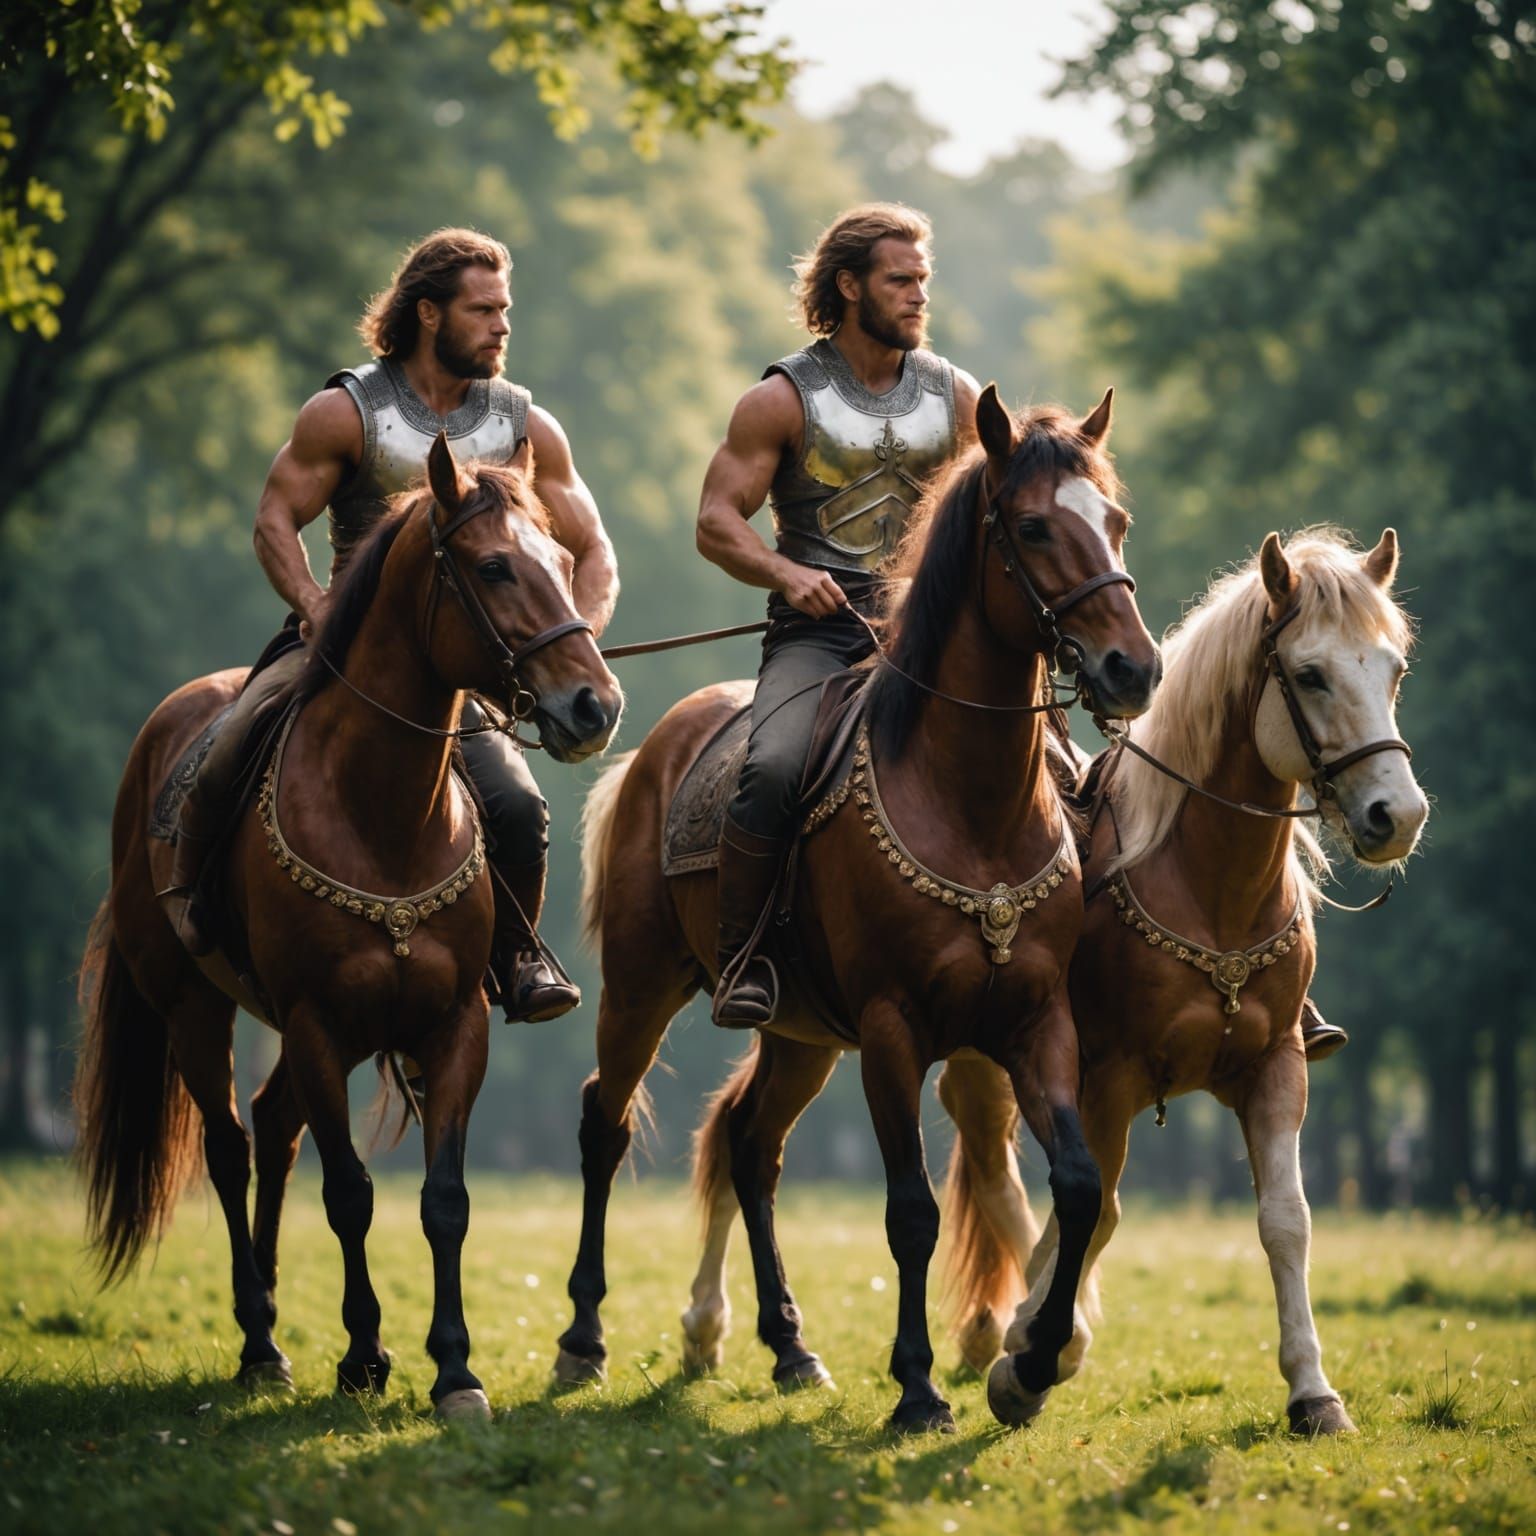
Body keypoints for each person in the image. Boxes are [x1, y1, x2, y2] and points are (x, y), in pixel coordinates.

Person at [160, 227, 618, 1023]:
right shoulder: (346, 412)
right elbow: (275, 519)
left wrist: (569, 636)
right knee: (225, 750)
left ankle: (517, 953)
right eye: (483, 310)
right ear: (428, 314)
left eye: (505, 309)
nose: (503, 325)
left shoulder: (525, 427)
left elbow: (593, 547)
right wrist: (314, 604)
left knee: (516, 804)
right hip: (338, 649)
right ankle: (196, 900)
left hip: (460, 664)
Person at [695, 203, 980, 1028]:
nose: (918, 295)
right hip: (819, 635)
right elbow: (715, 521)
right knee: (773, 767)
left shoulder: (957, 396)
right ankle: (744, 957)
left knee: (1064, 767)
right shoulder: (780, 398)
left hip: (933, 635)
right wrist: (788, 574)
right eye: (900, 281)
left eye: (923, 280)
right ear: (849, 287)